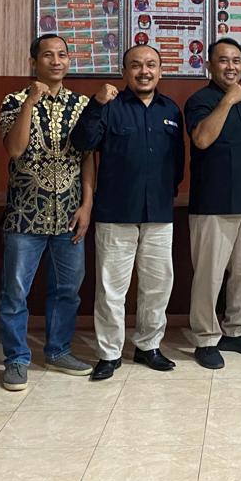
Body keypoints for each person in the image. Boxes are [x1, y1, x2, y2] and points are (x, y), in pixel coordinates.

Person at [70, 45, 185, 381]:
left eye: (151, 65)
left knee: (157, 285)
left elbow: (178, 161)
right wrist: (95, 105)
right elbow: (82, 143)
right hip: (116, 211)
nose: (144, 71)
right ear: (124, 73)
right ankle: (109, 353)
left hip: (159, 212)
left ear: (160, 71)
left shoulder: (171, 109)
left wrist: (166, 192)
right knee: (111, 289)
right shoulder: (109, 106)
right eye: (136, 65)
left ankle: (149, 346)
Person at [0, 35, 95, 391]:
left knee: (68, 289)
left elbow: (87, 158)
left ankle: (58, 351)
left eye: (62, 55)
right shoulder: (14, 100)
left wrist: (87, 205)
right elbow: (15, 148)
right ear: (33, 61)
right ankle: (16, 359)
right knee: (15, 292)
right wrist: (30, 104)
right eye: (48, 55)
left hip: (69, 213)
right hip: (25, 215)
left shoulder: (82, 104)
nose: (56, 61)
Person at [185, 38, 241, 369]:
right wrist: (228, 100)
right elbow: (202, 139)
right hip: (213, 206)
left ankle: (236, 330)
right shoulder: (200, 101)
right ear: (209, 65)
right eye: (223, 60)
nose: (231, 66)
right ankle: (205, 338)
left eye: (236, 60)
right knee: (209, 277)